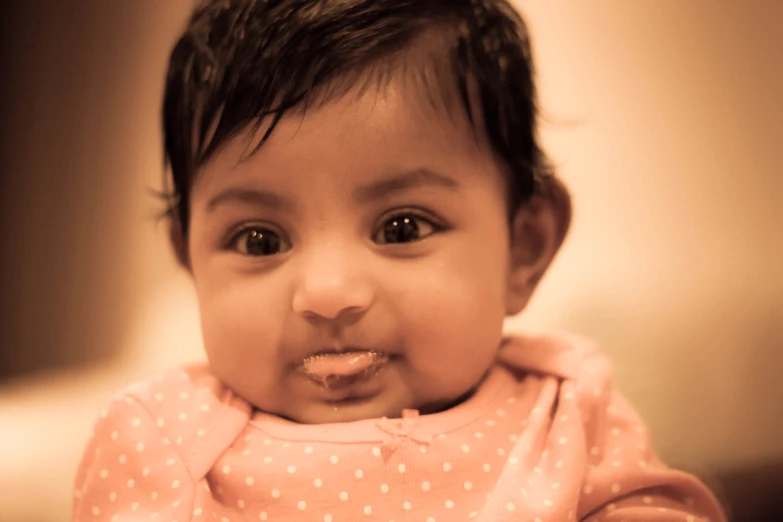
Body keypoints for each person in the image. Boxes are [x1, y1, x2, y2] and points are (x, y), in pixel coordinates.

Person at [73, 0, 727, 520]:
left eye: (400, 227)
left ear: (524, 248)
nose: (328, 293)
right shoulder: (163, 435)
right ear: (189, 260)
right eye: (260, 241)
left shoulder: (567, 409)